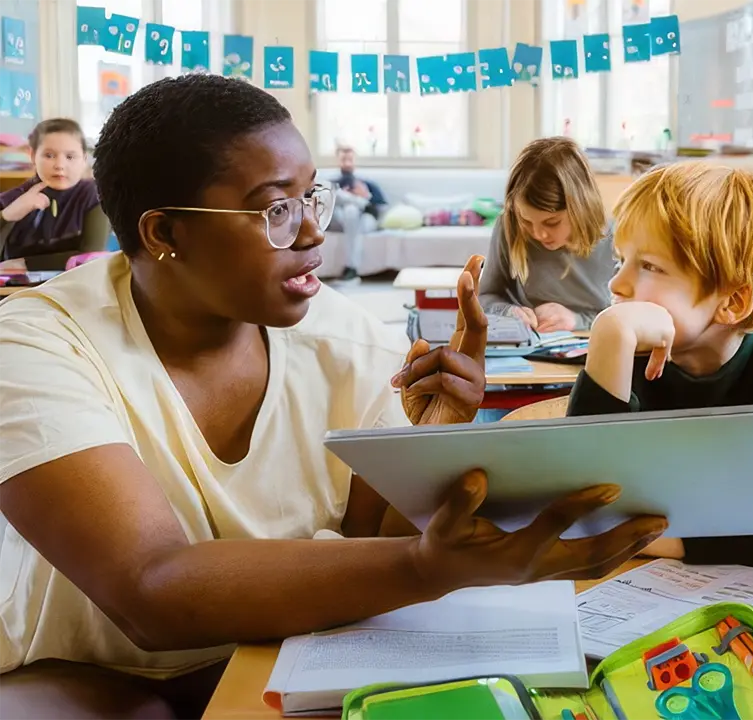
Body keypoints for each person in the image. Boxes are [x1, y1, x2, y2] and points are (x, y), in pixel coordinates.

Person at [0, 75, 666, 719]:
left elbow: (363, 543)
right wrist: (426, 565)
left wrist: (430, 447)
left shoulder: (342, 334)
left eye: (311, 199)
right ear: (163, 234)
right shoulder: (39, 342)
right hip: (90, 675)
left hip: (285, 654)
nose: (316, 235)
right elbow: (149, 590)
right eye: (276, 210)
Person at [565, 161, 753, 565]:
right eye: (619, 261)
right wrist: (609, 341)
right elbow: (580, 512)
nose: (616, 284)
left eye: (649, 266)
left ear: (733, 302)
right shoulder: (624, 354)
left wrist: (670, 543)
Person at [479, 137, 613, 332]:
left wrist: (578, 320)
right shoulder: (509, 225)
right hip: (532, 344)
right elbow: (486, 296)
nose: (539, 234)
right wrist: (508, 311)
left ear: (580, 208)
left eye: (552, 222)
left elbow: (632, 315)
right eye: (526, 221)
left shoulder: (616, 239)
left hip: (593, 343)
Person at [0, 118, 110, 273]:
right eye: (49, 155)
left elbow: (89, 257)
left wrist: (25, 264)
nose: (59, 165)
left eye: (70, 157)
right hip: (18, 292)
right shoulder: (14, 198)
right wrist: (8, 215)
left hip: (75, 289)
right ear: (32, 156)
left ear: (84, 159)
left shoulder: (94, 195)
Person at [329, 145, 387, 282]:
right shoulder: (333, 184)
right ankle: (351, 269)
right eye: (343, 159)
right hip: (341, 220)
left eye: (350, 159)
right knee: (340, 200)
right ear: (338, 161)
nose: (347, 163)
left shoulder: (366, 183)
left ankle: (351, 268)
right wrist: (354, 199)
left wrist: (366, 196)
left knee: (351, 210)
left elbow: (381, 206)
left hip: (365, 221)